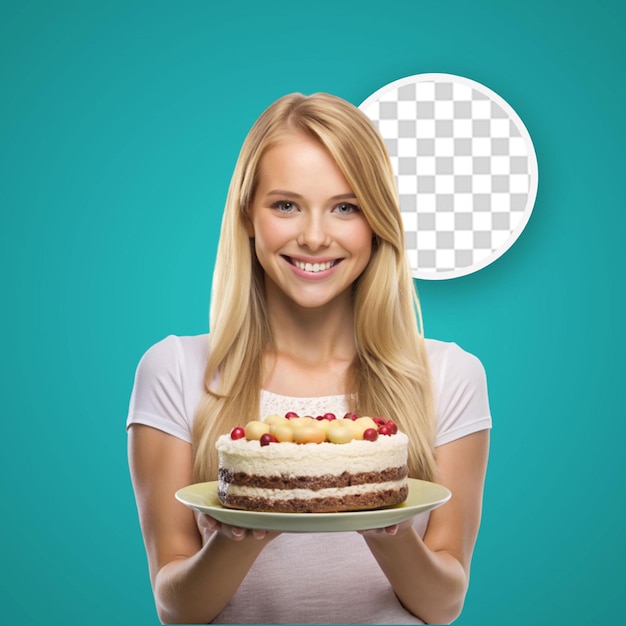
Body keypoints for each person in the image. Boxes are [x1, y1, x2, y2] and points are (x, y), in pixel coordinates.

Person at [127, 92, 491, 624]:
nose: (315, 237)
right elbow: (176, 606)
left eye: (346, 207)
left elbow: (443, 603)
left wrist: (380, 524)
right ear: (248, 216)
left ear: (377, 222)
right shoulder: (175, 371)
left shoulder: (449, 375)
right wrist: (244, 529)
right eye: (286, 205)